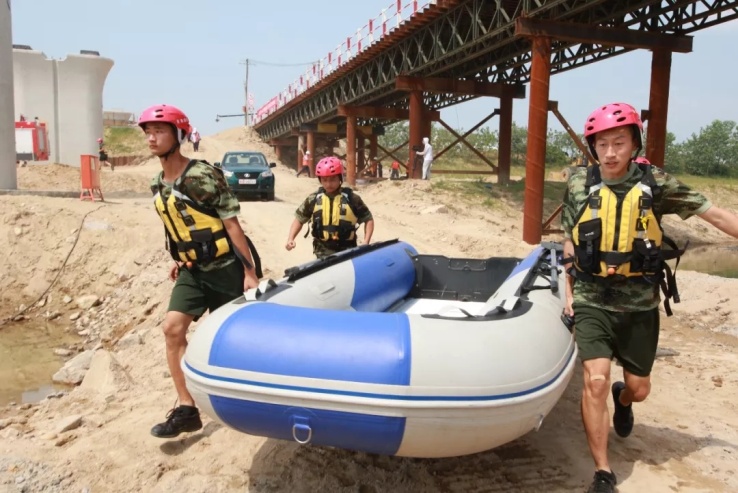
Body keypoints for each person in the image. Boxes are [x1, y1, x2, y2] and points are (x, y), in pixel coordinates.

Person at [561, 102, 738, 493]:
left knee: (639, 387)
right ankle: (603, 473)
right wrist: (568, 292)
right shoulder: (578, 184)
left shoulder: (656, 183)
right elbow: (570, 240)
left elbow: (715, 215)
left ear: (634, 143)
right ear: (593, 147)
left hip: (639, 304)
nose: (610, 153)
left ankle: (624, 400)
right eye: (602, 144)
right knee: (595, 380)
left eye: (619, 143)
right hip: (592, 297)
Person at [139, 104, 261, 439]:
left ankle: (248, 398)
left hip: (225, 268)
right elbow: (178, 223)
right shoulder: (157, 183)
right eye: (148, 132)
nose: (152, 138)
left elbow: (231, 225)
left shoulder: (203, 176)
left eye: (159, 131)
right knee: (172, 329)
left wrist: (249, 272)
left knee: (235, 339)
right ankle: (187, 409)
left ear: (178, 135)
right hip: (192, 271)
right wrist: (180, 257)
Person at [285, 156, 374, 259]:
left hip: (348, 251)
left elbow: (368, 219)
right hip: (322, 252)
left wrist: (366, 242)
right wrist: (291, 238)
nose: (328, 184)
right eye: (324, 180)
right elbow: (299, 219)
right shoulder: (313, 199)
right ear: (320, 180)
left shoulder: (352, 199)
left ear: (340, 178)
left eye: (333, 179)